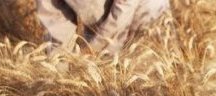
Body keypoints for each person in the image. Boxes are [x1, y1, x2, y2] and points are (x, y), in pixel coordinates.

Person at [36, 0, 169, 53]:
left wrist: (92, 51)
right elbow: (56, 21)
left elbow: (125, 7)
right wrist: (60, 67)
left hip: (148, 18)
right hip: (97, 25)